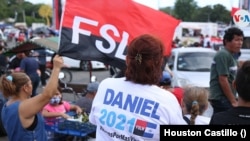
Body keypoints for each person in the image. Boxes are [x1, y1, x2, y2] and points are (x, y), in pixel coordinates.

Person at [89, 34, 186, 141]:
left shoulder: (106, 85)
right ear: (160, 63)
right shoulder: (167, 100)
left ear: (127, 60)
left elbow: (94, 120)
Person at [0, 55, 64, 141]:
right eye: (30, 83)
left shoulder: (6, 106)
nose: (32, 86)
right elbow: (48, 95)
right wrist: (56, 68)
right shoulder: (23, 107)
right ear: (25, 88)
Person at [209, 27, 244, 114]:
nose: (240, 43)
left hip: (226, 98)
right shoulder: (223, 55)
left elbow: (238, 67)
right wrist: (233, 101)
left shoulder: (231, 55)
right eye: (236, 40)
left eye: (241, 40)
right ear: (227, 41)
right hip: (221, 98)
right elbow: (223, 80)